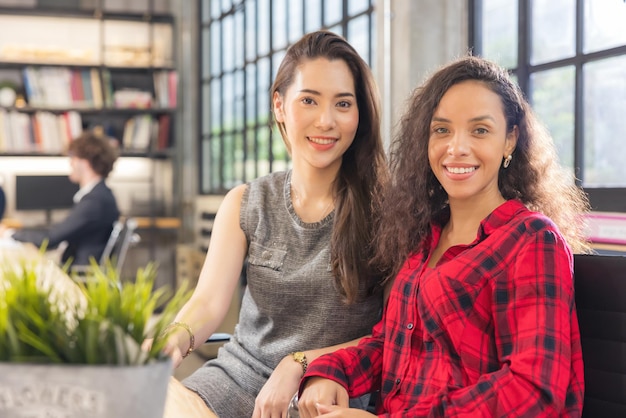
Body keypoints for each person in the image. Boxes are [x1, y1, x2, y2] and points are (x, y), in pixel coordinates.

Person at [297, 55, 591, 417]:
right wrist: (331, 372)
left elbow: (533, 390)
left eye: (479, 130)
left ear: (510, 140)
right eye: (442, 130)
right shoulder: (426, 237)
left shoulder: (531, 239)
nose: (457, 148)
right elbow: (395, 344)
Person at [159, 30, 389, 418]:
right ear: (280, 106)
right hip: (237, 377)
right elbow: (207, 302)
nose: (326, 120)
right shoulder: (246, 203)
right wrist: (174, 338)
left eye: (343, 103)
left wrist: (300, 362)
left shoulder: (387, 210)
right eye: (309, 100)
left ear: (360, 113)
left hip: (328, 390)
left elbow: (394, 334)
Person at [2, 130, 120, 268]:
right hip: (75, 267)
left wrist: (9, 233)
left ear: (85, 162)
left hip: (78, 273)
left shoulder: (95, 201)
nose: (70, 163)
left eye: (73, 158)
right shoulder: (100, 195)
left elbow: (50, 239)